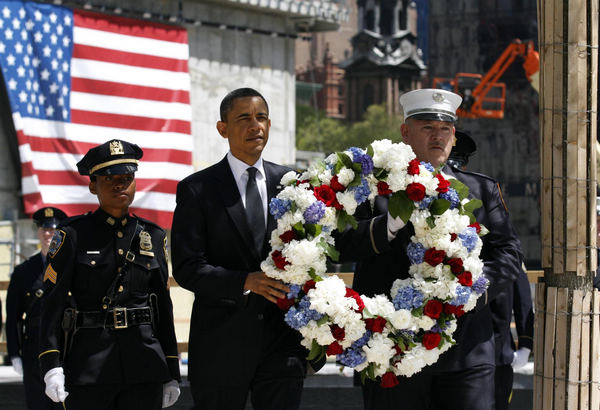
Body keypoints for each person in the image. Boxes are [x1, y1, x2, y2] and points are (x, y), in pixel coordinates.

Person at [335, 88, 523, 410]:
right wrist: (390, 223)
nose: (438, 137)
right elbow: (342, 245)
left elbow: (507, 253)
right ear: (405, 132)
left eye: (445, 129)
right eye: (427, 128)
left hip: (467, 352)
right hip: (394, 349)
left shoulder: (481, 189)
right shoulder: (371, 188)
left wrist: (471, 290)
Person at [171, 88, 309, 410]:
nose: (255, 126)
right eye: (244, 118)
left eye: (261, 118)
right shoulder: (197, 189)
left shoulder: (293, 183)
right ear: (223, 128)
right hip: (221, 346)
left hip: (282, 344)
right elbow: (188, 266)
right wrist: (243, 282)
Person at [38, 140, 181, 409]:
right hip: (89, 368)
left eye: (127, 178)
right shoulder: (72, 235)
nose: (119, 185)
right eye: (109, 178)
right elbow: (52, 305)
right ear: (93, 185)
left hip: (145, 368)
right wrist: (51, 364)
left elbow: (163, 306)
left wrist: (171, 370)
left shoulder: (153, 236)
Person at [449, 130, 534, 410]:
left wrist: (525, 339)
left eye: (457, 164)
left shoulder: (486, 211)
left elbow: (517, 278)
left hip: (493, 343)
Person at [5, 206, 67, 409]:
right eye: (44, 229)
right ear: (38, 232)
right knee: (38, 403)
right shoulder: (24, 271)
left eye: (53, 229)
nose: (48, 233)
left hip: (66, 347)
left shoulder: (71, 267)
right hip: (35, 348)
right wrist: (14, 353)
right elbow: (13, 316)